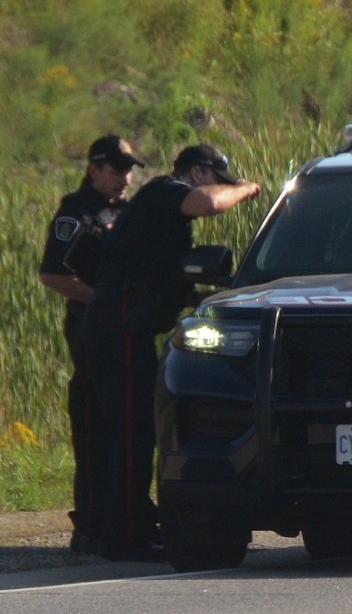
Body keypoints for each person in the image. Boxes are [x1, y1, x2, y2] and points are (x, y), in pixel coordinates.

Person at [82, 144, 261, 562]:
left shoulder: (163, 214)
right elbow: (210, 203)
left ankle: (135, 525)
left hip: (128, 319)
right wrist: (246, 189)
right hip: (121, 318)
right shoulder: (166, 189)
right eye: (217, 179)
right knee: (131, 432)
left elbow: (164, 278)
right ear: (198, 173)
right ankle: (123, 537)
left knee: (137, 430)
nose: (221, 190)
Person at [38, 135, 144, 556]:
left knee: (126, 432)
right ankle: (91, 525)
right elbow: (53, 273)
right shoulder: (75, 214)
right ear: (94, 169)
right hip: (91, 336)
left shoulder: (125, 212)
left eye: (129, 169)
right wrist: (104, 303)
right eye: (117, 170)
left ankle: (126, 518)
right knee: (95, 431)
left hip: (123, 336)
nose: (125, 178)